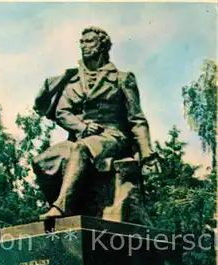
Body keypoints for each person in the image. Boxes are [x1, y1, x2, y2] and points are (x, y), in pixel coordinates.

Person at [33, 26, 157, 220]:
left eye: (89, 41)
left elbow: (136, 118)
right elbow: (62, 112)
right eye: (81, 42)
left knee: (81, 148)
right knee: (42, 161)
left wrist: (147, 154)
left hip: (113, 136)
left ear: (102, 46)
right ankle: (70, 209)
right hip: (81, 136)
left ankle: (62, 208)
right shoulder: (72, 81)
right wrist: (82, 127)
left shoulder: (121, 79)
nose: (84, 46)